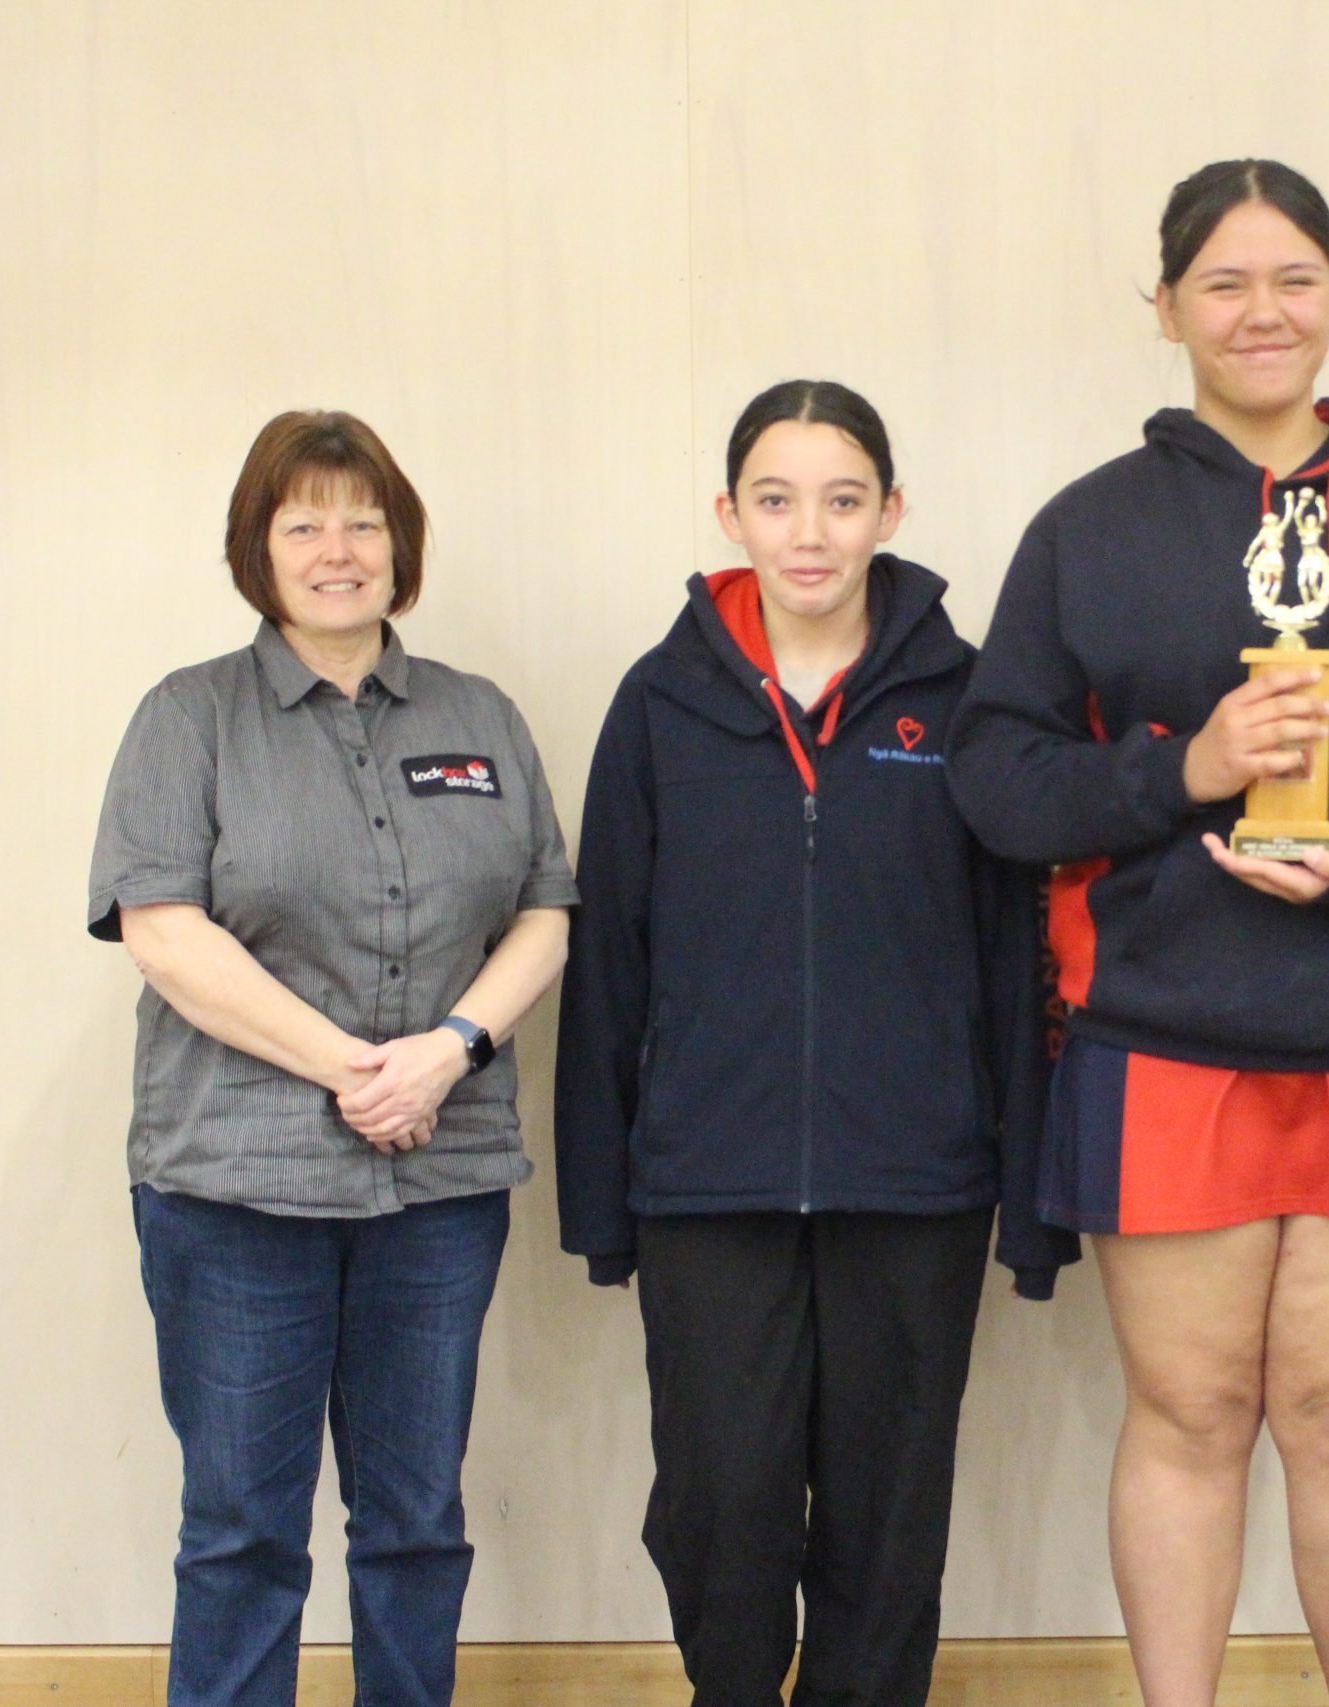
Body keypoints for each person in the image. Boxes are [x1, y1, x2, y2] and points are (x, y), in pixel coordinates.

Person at [947, 160, 1329, 1707]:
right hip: (1166, 1037)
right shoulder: (1089, 529)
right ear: (1165, 309)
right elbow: (1002, 780)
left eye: (1294, 278)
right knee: (1192, 1414)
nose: (1262, 311)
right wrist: (1187, 772)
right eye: (1223, 283)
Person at [555, 379, 1073, 1707]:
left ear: (890, 513)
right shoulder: (661, 702)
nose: (810, 533)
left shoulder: (966, 701)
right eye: (776, 501)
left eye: (842, 501)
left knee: (887, 1524)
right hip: (706, 1187)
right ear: (729, 514)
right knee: (720, 1506)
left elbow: (1015, 961)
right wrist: (601, 1201)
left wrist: (1031, 1203)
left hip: (917, 1187)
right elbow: (608, 960)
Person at [88, 410, 575, 1707]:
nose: (337, 549)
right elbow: (162, 931)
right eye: (302, 523)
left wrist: (449, 1053)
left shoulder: (477, 715)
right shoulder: (189, 717)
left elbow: (545, 911)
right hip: (236, 1192)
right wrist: (361, 1070)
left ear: (400, 544)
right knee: (242, 1531)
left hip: (440, 1187)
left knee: (416, 1522)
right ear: (258, 549)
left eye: (363, 522)